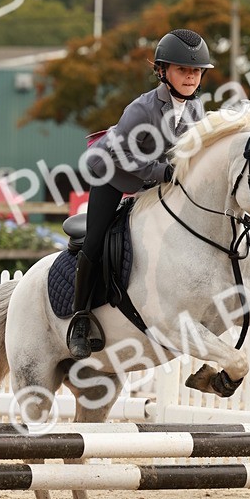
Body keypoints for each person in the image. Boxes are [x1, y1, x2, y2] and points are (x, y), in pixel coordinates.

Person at [67, 28, 214, 359]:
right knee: (96, 238)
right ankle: (80, 319)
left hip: (152, 178)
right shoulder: (142, 108)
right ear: (163, 71)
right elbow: (122, 155)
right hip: (112, 173)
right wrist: (162, 172)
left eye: (195, 71)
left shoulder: (196, 108)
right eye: (183, 70)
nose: (190, 77)